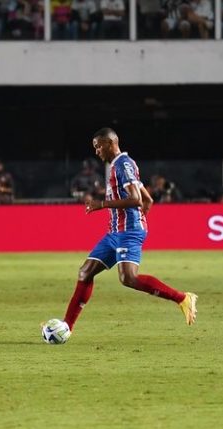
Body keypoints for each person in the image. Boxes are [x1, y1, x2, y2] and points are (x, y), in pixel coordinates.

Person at [48, 128, 197, 341]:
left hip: (128, 232)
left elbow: (136, 199)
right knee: (85, 272)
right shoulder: (120, 165)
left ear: (110, 143)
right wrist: (143, 208)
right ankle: (67, 327)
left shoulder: (122, 164)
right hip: (115, 231)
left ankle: (183, 298)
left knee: (128, 278)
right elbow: (146, 199)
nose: (97, 151)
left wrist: (102, 204)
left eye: (99, 146)